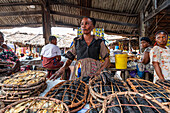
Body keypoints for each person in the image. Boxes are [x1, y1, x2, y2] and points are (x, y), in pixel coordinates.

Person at [51, 17, 110, 82]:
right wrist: (63, 68)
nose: (83, 26)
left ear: (93, 26)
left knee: (94, 88)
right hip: (79, 72)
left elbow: (107, 60)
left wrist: (99, 72)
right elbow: (69, 60)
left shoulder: (99, 41)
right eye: (82, 24)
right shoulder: (76, 41)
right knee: (78, 88)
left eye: (86, 23)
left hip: (95, 71)